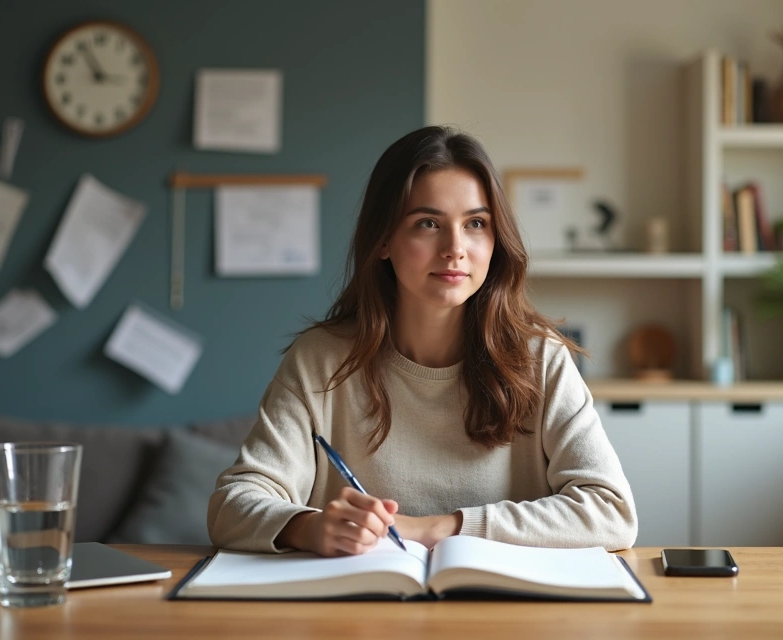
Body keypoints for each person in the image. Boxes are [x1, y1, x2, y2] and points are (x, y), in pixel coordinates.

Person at [208, 125, 637, 556]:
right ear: (383, 241)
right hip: (358, 615)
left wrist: (439, 528)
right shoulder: (320, 360)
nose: (455, 248)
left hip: (505, 615)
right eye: (427, 223)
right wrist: (309, 527)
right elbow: (232, 506)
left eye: (476, 224)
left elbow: (611, 513)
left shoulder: (541, 357)